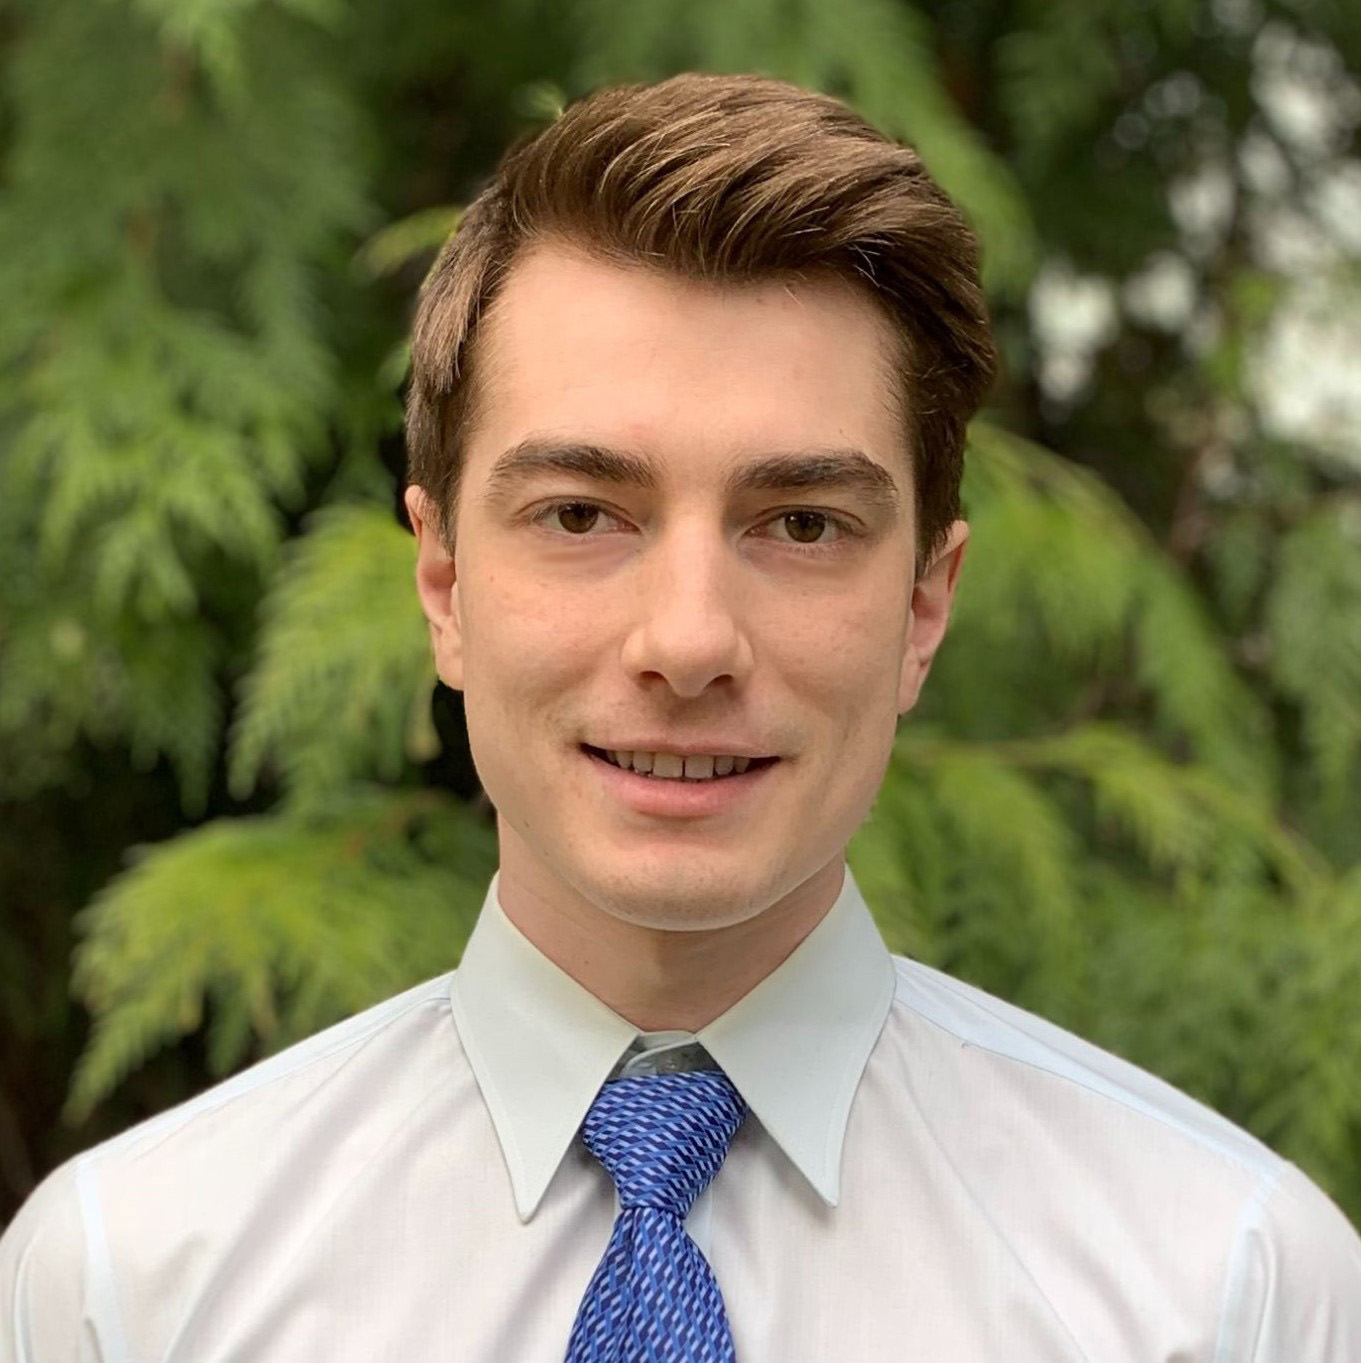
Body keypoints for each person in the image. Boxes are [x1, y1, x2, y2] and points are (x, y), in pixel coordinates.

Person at [3, 71, 1360, 1362]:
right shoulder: (128, 1286)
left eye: (803, 523)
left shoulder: (1225, 1289)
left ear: (924, 607)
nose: (690, 640)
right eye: (582, 515)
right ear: (446, 585)